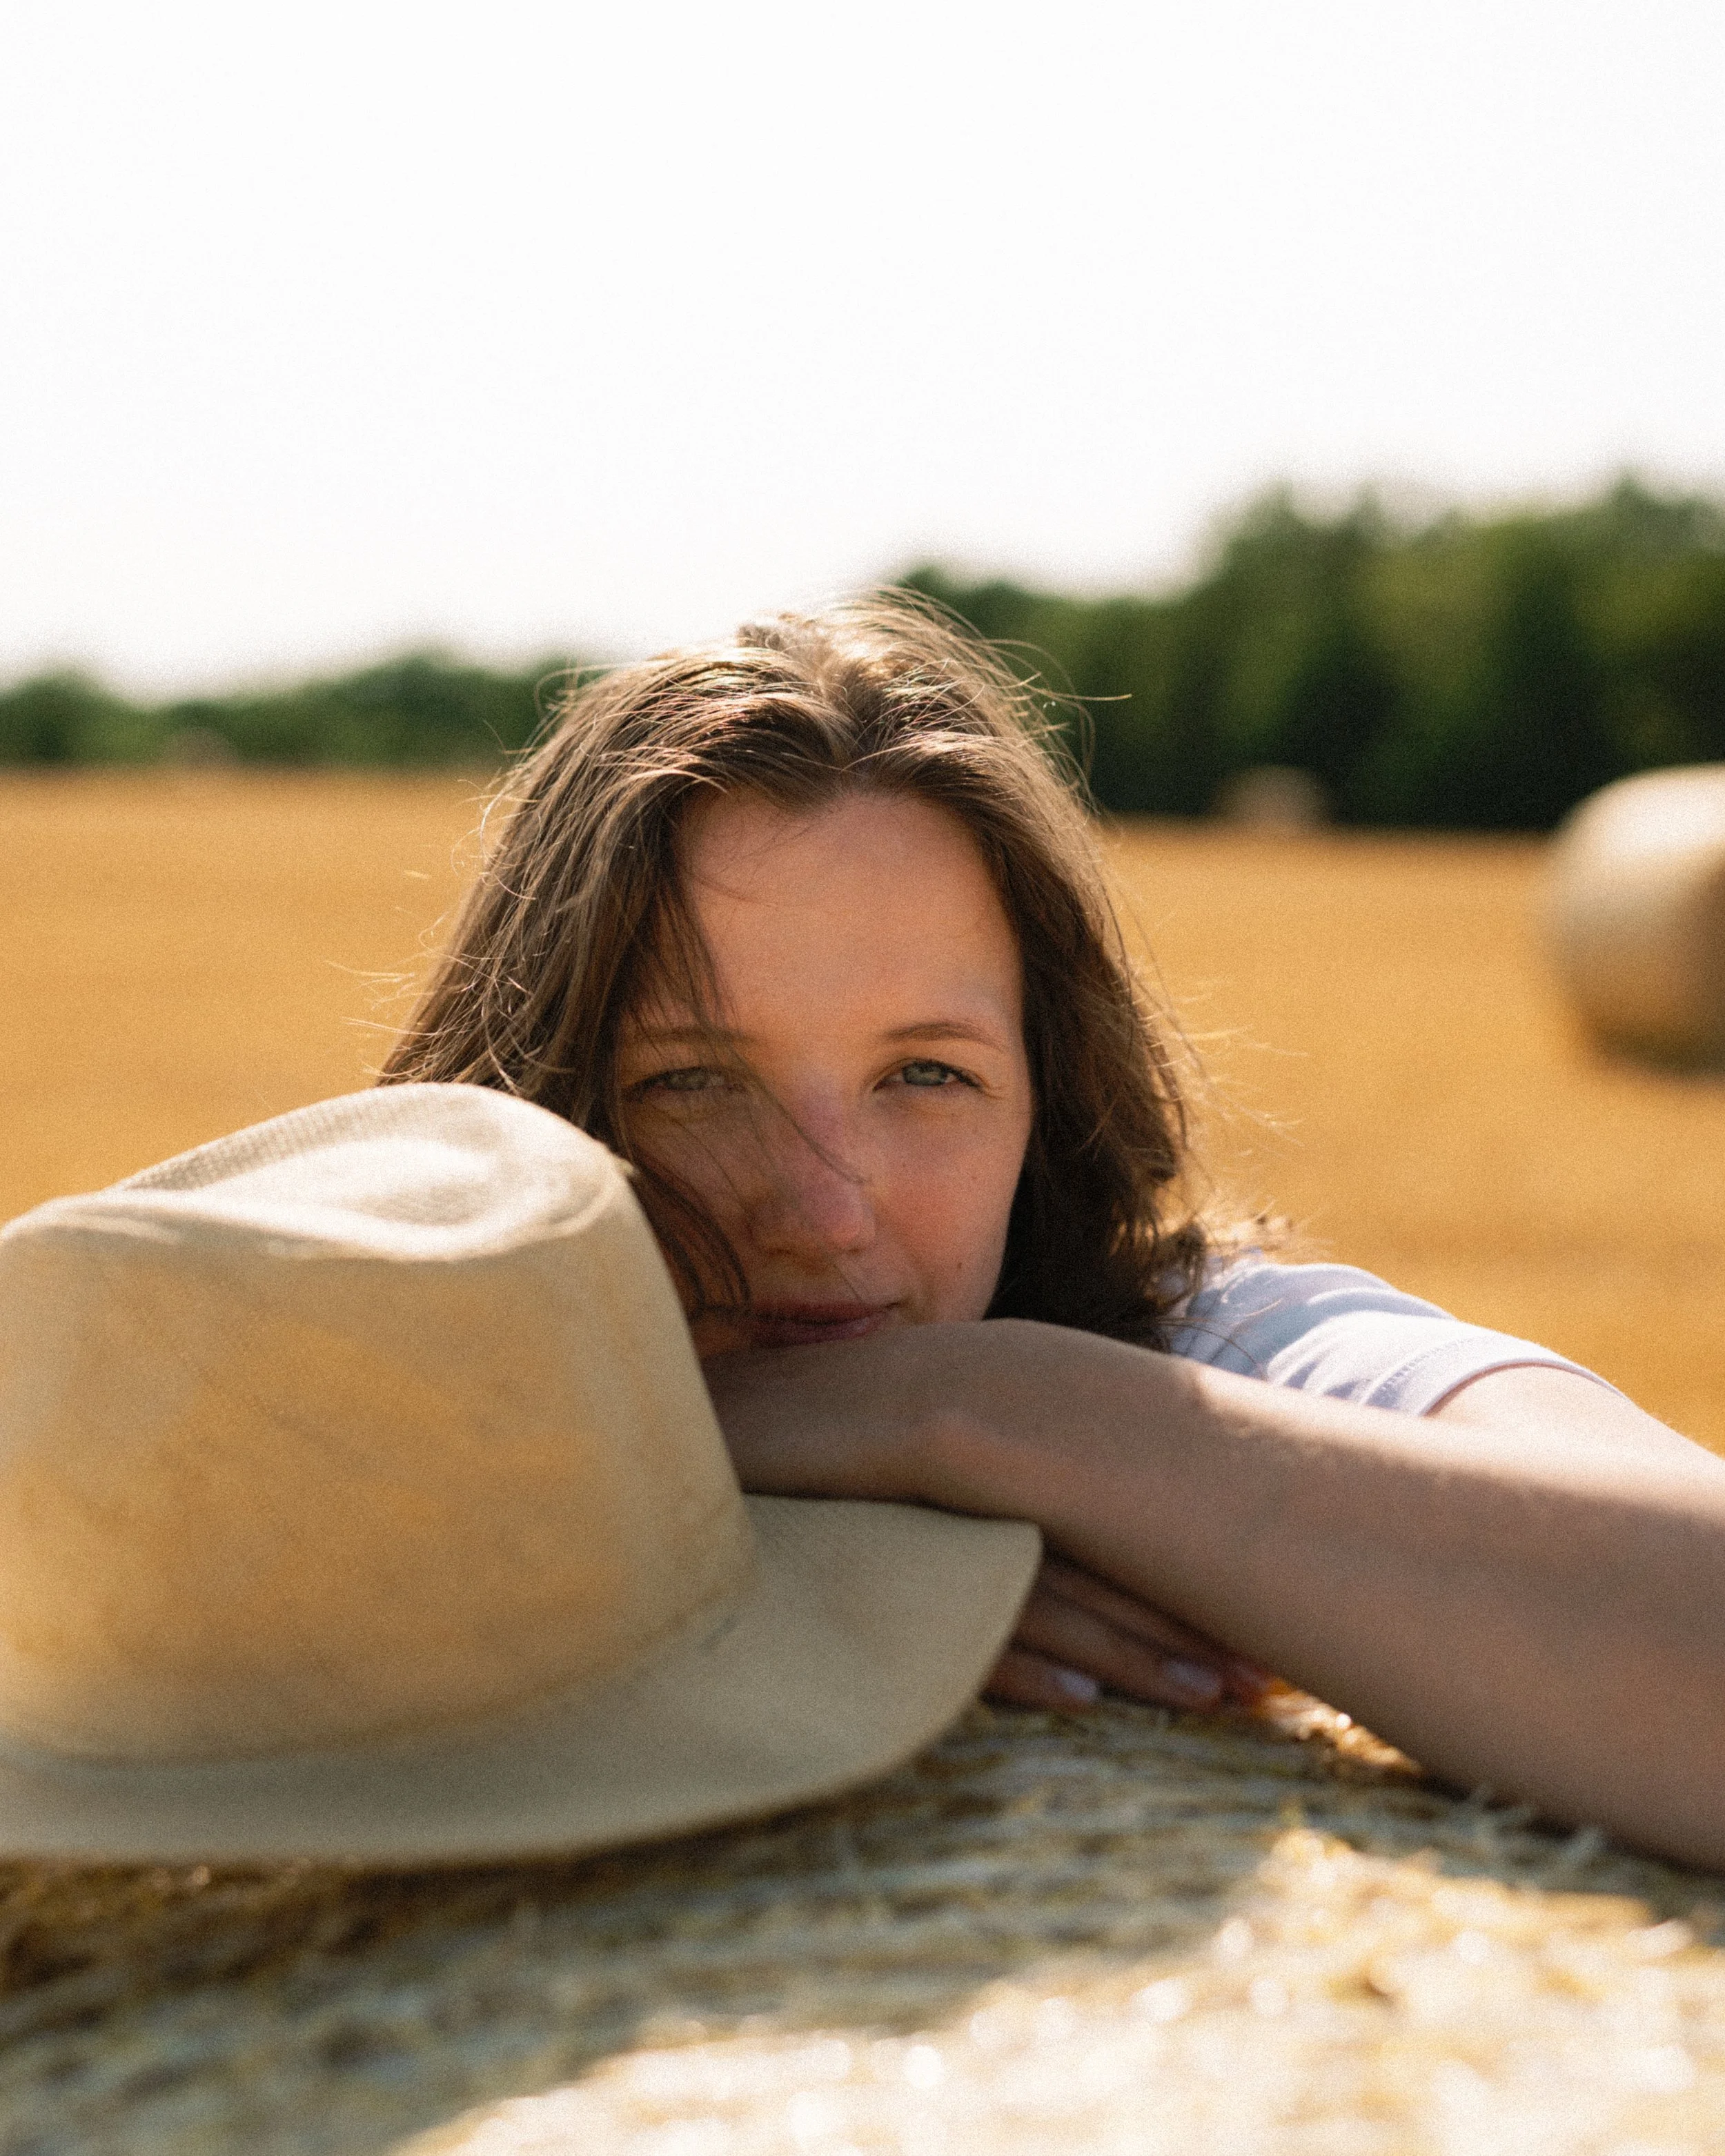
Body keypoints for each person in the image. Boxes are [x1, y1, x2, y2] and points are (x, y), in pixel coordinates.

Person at [382, 596, 1725, 1871]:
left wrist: (991, 1406)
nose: (823, 1211)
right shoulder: (370, 1319)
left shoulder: (1214, 1338)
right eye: (690, 1081)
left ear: (1048, 1096)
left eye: (925, 1074)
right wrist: (784, 1542)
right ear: (540, 1093)